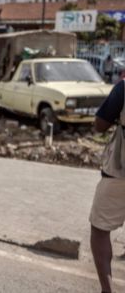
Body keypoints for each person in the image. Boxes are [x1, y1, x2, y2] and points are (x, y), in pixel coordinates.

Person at [90, 78, 125, 293]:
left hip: (119, 173)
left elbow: (100, 125)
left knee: (100, 228)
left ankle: (107, 289)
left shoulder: (123, 88)